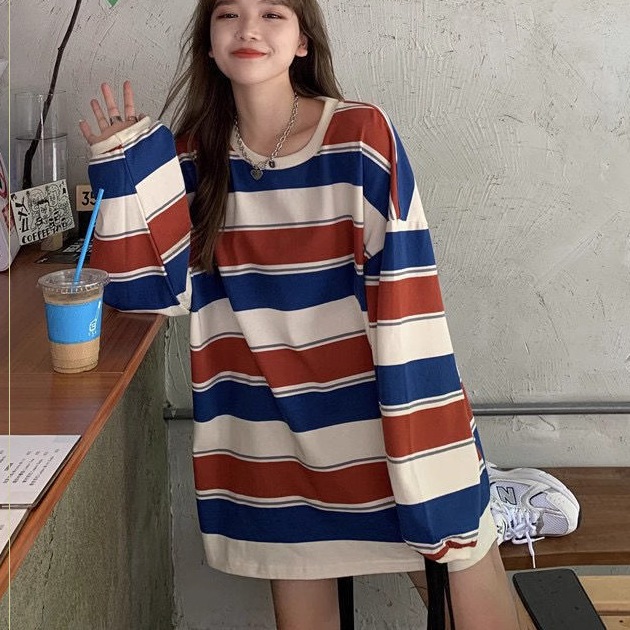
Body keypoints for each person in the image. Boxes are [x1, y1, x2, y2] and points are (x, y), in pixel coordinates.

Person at [80, 1, 519, 627]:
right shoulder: (190, 161)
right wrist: (123, 162)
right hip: (270, 442)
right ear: (208, 43)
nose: (248, 29)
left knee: (478, 601)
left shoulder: (360, 136)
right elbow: (146, 295)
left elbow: (409, 295)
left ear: (303, 41)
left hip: (384, 421)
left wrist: (422, 441)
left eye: (272, 13)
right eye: (228, 14)